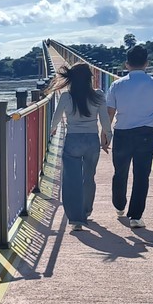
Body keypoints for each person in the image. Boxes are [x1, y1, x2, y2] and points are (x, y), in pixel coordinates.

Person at [106, 44, 153, 228]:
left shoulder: (117, 85)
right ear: (147, 63)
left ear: (127, 65)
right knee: (142, 175)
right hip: (145, 133)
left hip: (122, 133)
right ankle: (135, 216)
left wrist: (105, 132)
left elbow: (110, 111)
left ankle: (119, 206)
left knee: (120, 172)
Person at [48, 62, 110, 232]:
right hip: (92, 141)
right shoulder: (98, 95)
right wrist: (107, 137)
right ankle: (87, 210)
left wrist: (52, 131)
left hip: (73, 140)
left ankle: (76, 219)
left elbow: (56, 118)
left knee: (71, 181)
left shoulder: (66, 97)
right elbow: (104, 120)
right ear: (90, 78)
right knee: (88, 177)